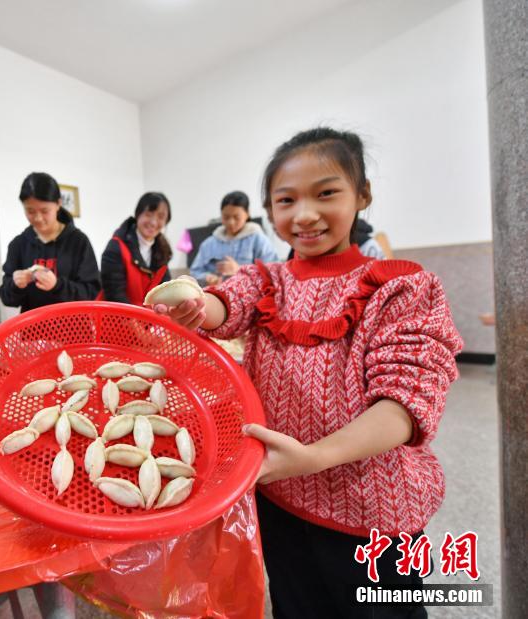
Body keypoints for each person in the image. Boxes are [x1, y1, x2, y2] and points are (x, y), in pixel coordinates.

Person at [154, 128, 462, 617]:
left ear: (362, 194)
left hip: (371, 514)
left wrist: (314, 457)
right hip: (281, 498)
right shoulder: (266, 279)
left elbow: (403, 407)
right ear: (269, 211)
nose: (304, 214)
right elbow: (223, 304)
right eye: (285, 200)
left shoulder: (401, 287)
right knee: (298, 606)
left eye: (326, 193)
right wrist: (194, 301)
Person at [0, 172, 100, 311]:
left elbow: (90, 292)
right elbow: (6, 297)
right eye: (30, 211)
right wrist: (15, 285)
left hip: (75, 328)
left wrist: (57, 285)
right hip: (34, 329)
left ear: (58, 204)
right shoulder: (18, 245)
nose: (38, 218)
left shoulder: (78, 241)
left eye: (45, 210)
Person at [189, 191, 278, 286]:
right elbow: (195, 271)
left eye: (236, 217)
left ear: (247, 214)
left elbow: (272, 271)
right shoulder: (209, 243)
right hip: (216, 294)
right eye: (226, 217)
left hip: (249, 295)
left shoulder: (258, 239)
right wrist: (207, 277)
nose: (231, 222)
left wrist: (239, 269)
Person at [100, 192, 173, 304]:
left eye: (161, 217)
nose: (153, 222)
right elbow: (115, 296)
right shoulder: (115, 248)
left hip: (150, 319)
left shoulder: (162, 249)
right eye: (149, 214)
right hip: (118, 317)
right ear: (138, 214)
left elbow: (165, 290)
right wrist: (138, 320)